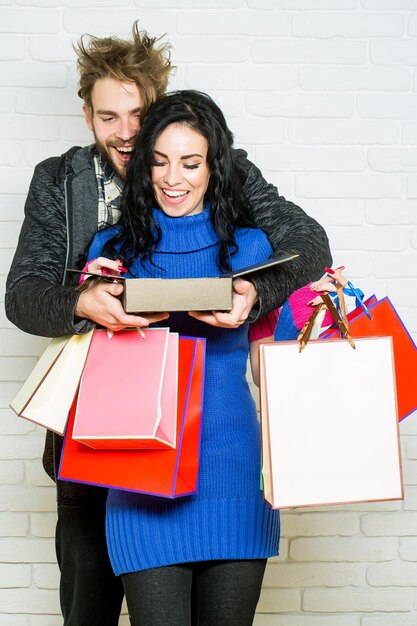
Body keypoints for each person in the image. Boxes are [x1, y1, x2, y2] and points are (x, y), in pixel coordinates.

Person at [5, 22, 332, 626]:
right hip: (102, 439)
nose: (126, 134)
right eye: (108, 117)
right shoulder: (64, 183)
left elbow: (306, 244)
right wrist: (85, 303)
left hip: (219, 454)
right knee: (89, 611)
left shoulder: (228, 177)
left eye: (138, 115)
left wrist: (255, 294)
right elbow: (23, 296)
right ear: (87, 117)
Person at [83, 89, 281, 626]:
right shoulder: (113, 252)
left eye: (190, 163)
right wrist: (95, 306)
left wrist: (326, 333)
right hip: (141, 482)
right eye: (160, 161)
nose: (174, 178)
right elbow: (89, 373)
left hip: (233, 476)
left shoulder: (252, 251)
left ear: (214, 167)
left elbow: (268, 368)